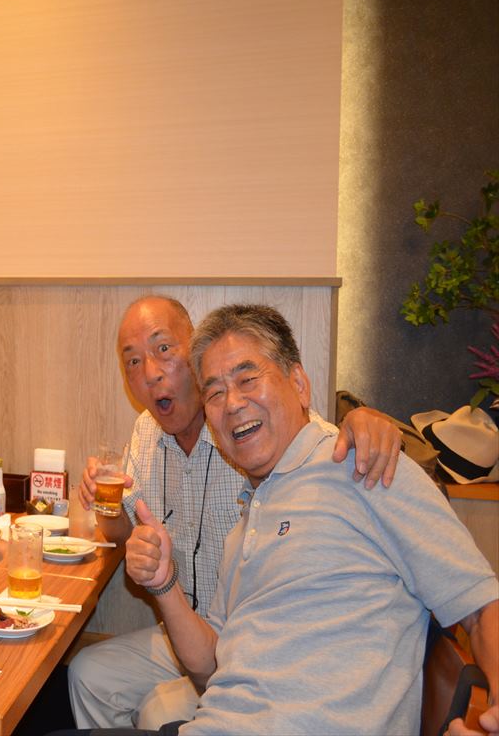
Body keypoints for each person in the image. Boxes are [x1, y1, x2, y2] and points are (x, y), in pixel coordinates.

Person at [124, 303, 498, 735]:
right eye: (215, 393)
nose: (233, 403)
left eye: (248, 379)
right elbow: (211, 667)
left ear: (299, 384)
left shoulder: (366, 464)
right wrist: (165, 583)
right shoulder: (247, 519)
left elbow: (480, 605)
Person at [68, 296, 402, 729]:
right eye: (133, 361)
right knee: (88, 674)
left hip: (253, 643)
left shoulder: (245, 431)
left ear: (195, 353)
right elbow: (123, 535)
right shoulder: (146, 433)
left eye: (163, 349)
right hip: (187, 629)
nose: (150, 372)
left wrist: (366, 421)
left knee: (158, 709)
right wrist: (105, 502)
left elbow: (315, 439)